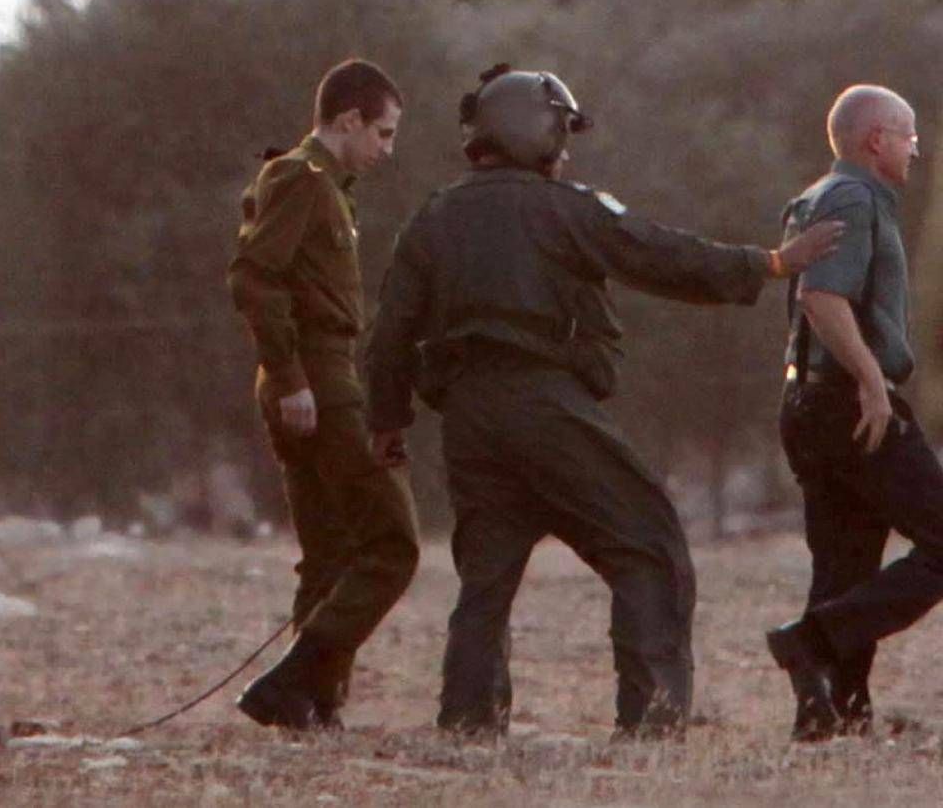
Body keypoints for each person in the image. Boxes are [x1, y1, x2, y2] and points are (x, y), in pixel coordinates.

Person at [364, 65, 842, 738]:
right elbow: (657, 254)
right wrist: (768, 264)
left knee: (486, 580)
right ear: (537, 131)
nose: (566, 152)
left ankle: (469, 722)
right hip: (545, 406)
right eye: (562, 135)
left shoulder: (432, 217)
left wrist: (387, 421)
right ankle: (651, 722)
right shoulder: (564, 208)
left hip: (469, 418)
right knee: (648, 546)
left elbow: (390, 333)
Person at [226, 59, 419, 730]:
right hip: (318, 378)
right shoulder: (300, 179)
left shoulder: (330, 188)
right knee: (393, 544)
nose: (387, 149)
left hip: (321, 374)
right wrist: (291, 379)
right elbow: (254, 278)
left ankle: (311, 703)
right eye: (383, 133)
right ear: (348, 120)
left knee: (331, 549)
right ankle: (293, 681)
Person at [766, 85, 928, 741]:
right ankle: (810, 640)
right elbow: (822, 297)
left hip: (812, 403)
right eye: (908, 135)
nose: (916, 148)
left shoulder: (819, 196)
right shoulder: (853, 199)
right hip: (847, 402)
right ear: (875, 139)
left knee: (844, 563)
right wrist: (871, 382)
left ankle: (833, 714)